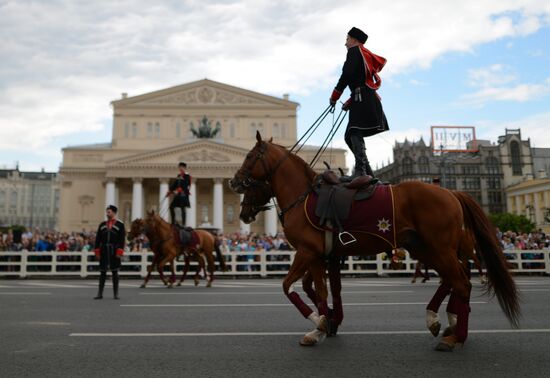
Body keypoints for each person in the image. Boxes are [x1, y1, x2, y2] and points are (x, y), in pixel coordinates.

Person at [330, 27, 389, 179]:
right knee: (351, 134)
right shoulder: (362, 54)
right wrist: (350, 101)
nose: (345, 43)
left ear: (355, 41)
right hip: (364, 99)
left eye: (347, 39)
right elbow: (361, 81)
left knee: (353, 132)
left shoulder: (354, 52)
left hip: (363, 99)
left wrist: (335, 96)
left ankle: (362, 171)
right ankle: (366, 172)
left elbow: (347, 75)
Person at [94, 205, 126, 300]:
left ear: (114, 213)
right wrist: (97, 252)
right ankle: (100, 293)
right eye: (107, 212)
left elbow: (122, 240)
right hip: (104, 250)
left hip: (114, 250)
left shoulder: (120, 225)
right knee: (102, 272)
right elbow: (97, 239)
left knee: (115, 272)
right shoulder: (102, 224)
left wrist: (119, 251)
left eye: (109, 212)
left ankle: (116, 293)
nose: (107, 213)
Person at [167, 162, 191, 226]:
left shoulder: (187, 176)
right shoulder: (179, 176)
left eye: (182, 167)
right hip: (178, 195)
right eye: (180, 167)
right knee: (171, 207)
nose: (181, 168)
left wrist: (178, 190)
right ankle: (173, 221)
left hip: (183, 195)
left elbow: (186, 185)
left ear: (185, 168)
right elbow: (175, 184)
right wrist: (169, 191)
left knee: (183, 209)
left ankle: (183, 223)